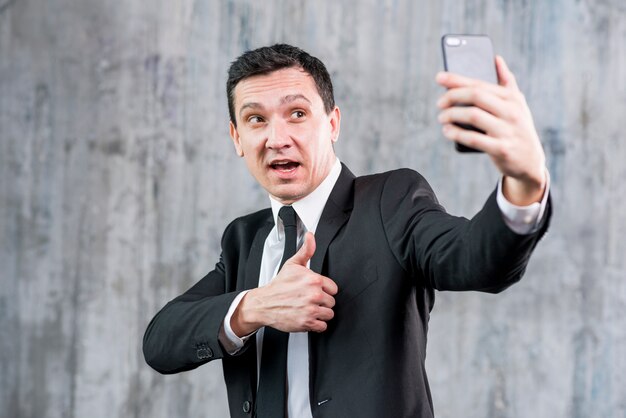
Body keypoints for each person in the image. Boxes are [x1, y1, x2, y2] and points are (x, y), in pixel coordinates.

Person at [143, 44, 551, 418]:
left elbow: (477, 260)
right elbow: (161, 342)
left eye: (297, 114)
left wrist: (525, 182)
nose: (277, 138)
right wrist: (256, 307)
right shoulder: (243, 238)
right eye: (256, 120)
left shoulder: (390, 201)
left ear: (333, 123)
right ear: (237, 137)